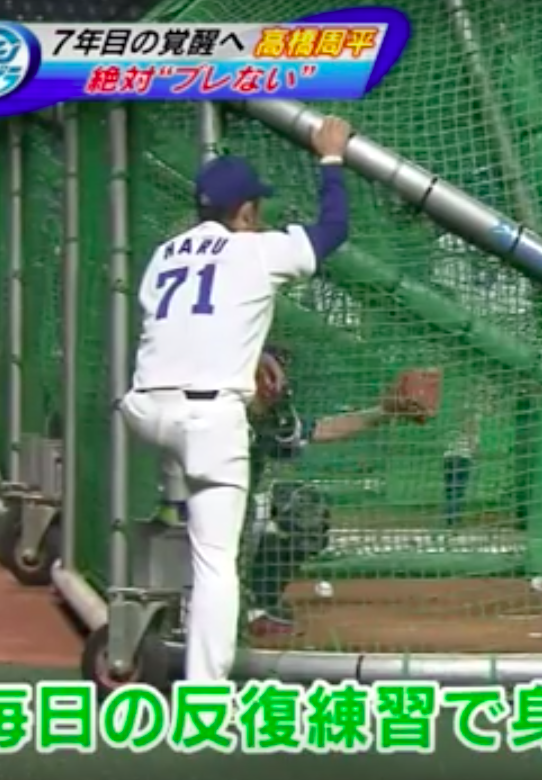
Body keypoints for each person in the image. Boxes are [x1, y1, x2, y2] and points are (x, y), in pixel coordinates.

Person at [117, 115, 353, 682]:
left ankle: (169, 508)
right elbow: (333, 229)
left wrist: (255, 351)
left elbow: (197, 322)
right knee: (215, 562)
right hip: (206, 417)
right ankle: (205, 698)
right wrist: (331, 158)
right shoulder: (256, 250)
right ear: (245, 211)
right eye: (256, 209)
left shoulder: (163, 255)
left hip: (145, 408)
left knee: (186, 484)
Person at [240, 347, 439, 636]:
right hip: (191, 514)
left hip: (239, 513)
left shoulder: (273, 418)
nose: (277, 381)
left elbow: (321, 429)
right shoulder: (218, 409)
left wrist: (385, 411)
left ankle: (258, 606)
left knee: (300, 505)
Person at [429, 232, 537, 526]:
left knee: (516, 417)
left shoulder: (455, 240)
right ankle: (455, 508)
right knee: (468, 425)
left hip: (502, 334)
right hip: (487, 337)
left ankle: (521, 506)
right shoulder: (454, 240)